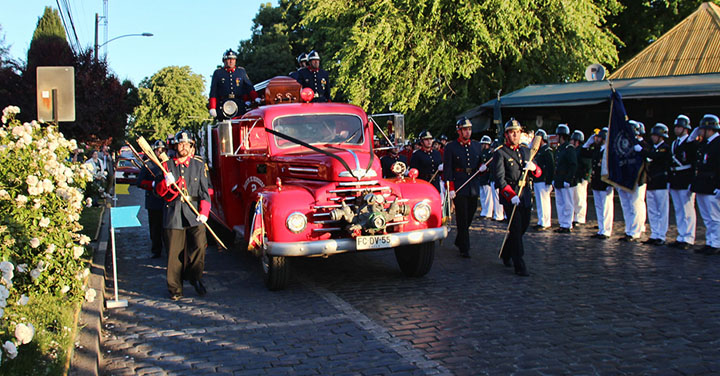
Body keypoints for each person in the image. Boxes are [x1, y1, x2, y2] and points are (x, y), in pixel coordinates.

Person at [154, 130, 212, 300]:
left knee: (200, 246)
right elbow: (158, 192)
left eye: (187, 144)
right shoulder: (167, 166)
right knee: (174, 253)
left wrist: (204, 212)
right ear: (176, 146)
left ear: (191, 146)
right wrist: (166, 183)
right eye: (181, 144)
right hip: (174, 212)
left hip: (194, 211)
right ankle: (175, 289)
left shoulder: (198, 165)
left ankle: (194, 276)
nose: (184, 147)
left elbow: (204, 192)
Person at [493, 118, 542, 276]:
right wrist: (511, 195)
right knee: (515, 228)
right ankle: (519, 263)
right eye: (512, 132)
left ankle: (507, 253)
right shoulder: (500, 153)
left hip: (525, 193)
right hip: (511, 194)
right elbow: (500, 179)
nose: (515, 135)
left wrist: (534, 168)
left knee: (523, 227)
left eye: (517, 132)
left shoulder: (526, 151)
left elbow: (538, 172)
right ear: (506, 135)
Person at [444, 117, 483, 258]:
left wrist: (482, 168)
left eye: (469, 129)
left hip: (472, 184)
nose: (467, 132)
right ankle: (465, 247)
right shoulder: (451, 147)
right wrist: (451, 188)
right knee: (462, 216)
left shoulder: (477, 146)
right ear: (459, 131)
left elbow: (480, 163)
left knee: (471, 213)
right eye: (465, 129)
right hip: (459, 183)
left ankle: (460, 239)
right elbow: (448, 169)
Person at [689, 114, 720, 254]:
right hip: (702, 184)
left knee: (715, 217)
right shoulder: (705, 143)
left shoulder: (718, 143)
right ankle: (710, 242)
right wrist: (692, 137)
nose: (700, 131)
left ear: (710, 129)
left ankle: (716, 243)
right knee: (707, 217)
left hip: (712, 184)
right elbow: (689, 149)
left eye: (702, 129)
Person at [668, 115, 697, 250]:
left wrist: (692, 180)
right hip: (675, 177)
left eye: (679, 127)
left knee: (688, 210)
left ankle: (688, 237)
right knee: (679, 209)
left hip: (685, 177)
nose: (676, 129)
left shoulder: (691, 142)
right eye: (676, 127)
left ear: (685, 128)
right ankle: (681, 235)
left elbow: (693, 162)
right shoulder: (675, 143)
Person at [617, 120, 648, 242]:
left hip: (637, 179)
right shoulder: (625, 145)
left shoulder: (643, 145)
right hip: (626, 178)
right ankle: (629, 229)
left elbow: (647, 160)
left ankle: (636, 231)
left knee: (636, 205)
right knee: (627, 206)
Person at [208, 49, 260, 120]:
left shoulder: (241, 71)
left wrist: (255, 97)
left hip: (239, 104)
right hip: (224, 105)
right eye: (229, 59)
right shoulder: (218, 73)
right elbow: (213, 91)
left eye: (233, 59)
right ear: (224, 61)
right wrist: (212, 107)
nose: (231, 61)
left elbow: (248, 86)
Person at [641, 123, 671, 245]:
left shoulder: (665, 147)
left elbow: (657, 157)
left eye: (655, 135)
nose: (653, 137)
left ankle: (661, 235)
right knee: (652, 210)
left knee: (662, 210)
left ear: (661, 136)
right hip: (652, 181)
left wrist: (643, 152)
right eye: (653, 135)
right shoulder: (652, 148)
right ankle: (654, 233)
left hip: (661, 182)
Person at [137, 140, 167, 258]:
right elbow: (139, 182)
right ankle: (156, 249)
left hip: (166, 200)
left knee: (167, 226)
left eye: (162, 150)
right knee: (155, 227)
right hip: (153, 200)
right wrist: (154, 184)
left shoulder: (168, 163)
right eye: (158, 150)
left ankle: (168, 247)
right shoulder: (148, 164)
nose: (160, 152)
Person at [585, 128, 614, 239]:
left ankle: (606, 230)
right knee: (599, 206)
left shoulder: (608, 151)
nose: (597, 139)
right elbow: (584, 151)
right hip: (597, 181)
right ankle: (601, 229)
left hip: (605, 182)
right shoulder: (597, 150)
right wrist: (590, 141)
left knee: (606, 207)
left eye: (599, 137)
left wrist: (610, 183)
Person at [553, 124, 577, 233]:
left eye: (558, 135)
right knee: (560, 202)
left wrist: (569, 179)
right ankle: (562, 223)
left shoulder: (569, 148)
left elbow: (573, 165)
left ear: (561, 136)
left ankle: (567, 224)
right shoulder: (560, 149)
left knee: (567, 203)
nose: (556, 137)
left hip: (565, 179)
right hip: (559, 179)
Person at [533, 129, 554, 231]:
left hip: (544, 179)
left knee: (544, 201)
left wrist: (549, 181)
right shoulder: (539, 150)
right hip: (538, 179)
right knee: (539, 202)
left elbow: (551, 167)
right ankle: (541, 220)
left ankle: (545, 222)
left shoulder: (547, 150)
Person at [570, 130, 590, 227]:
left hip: (580, 177)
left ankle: (580, 217)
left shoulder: (582, 150)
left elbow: (587, 164)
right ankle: (575, 216)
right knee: (575, 198)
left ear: (577, 141)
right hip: (575, 177)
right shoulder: (574, 150)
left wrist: (585, 177)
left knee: (580, 198)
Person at [478, 135, 495, 219]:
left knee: (488, 196)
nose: (484, 146)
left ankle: (488, 213)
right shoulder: (481, 153)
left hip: (487, 176)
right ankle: (483, 211)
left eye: (485, 144)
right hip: (481, 177)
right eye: (483, 144)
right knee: (482, 195)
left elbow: (492, 165)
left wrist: (487, 168)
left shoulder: (490, 154)